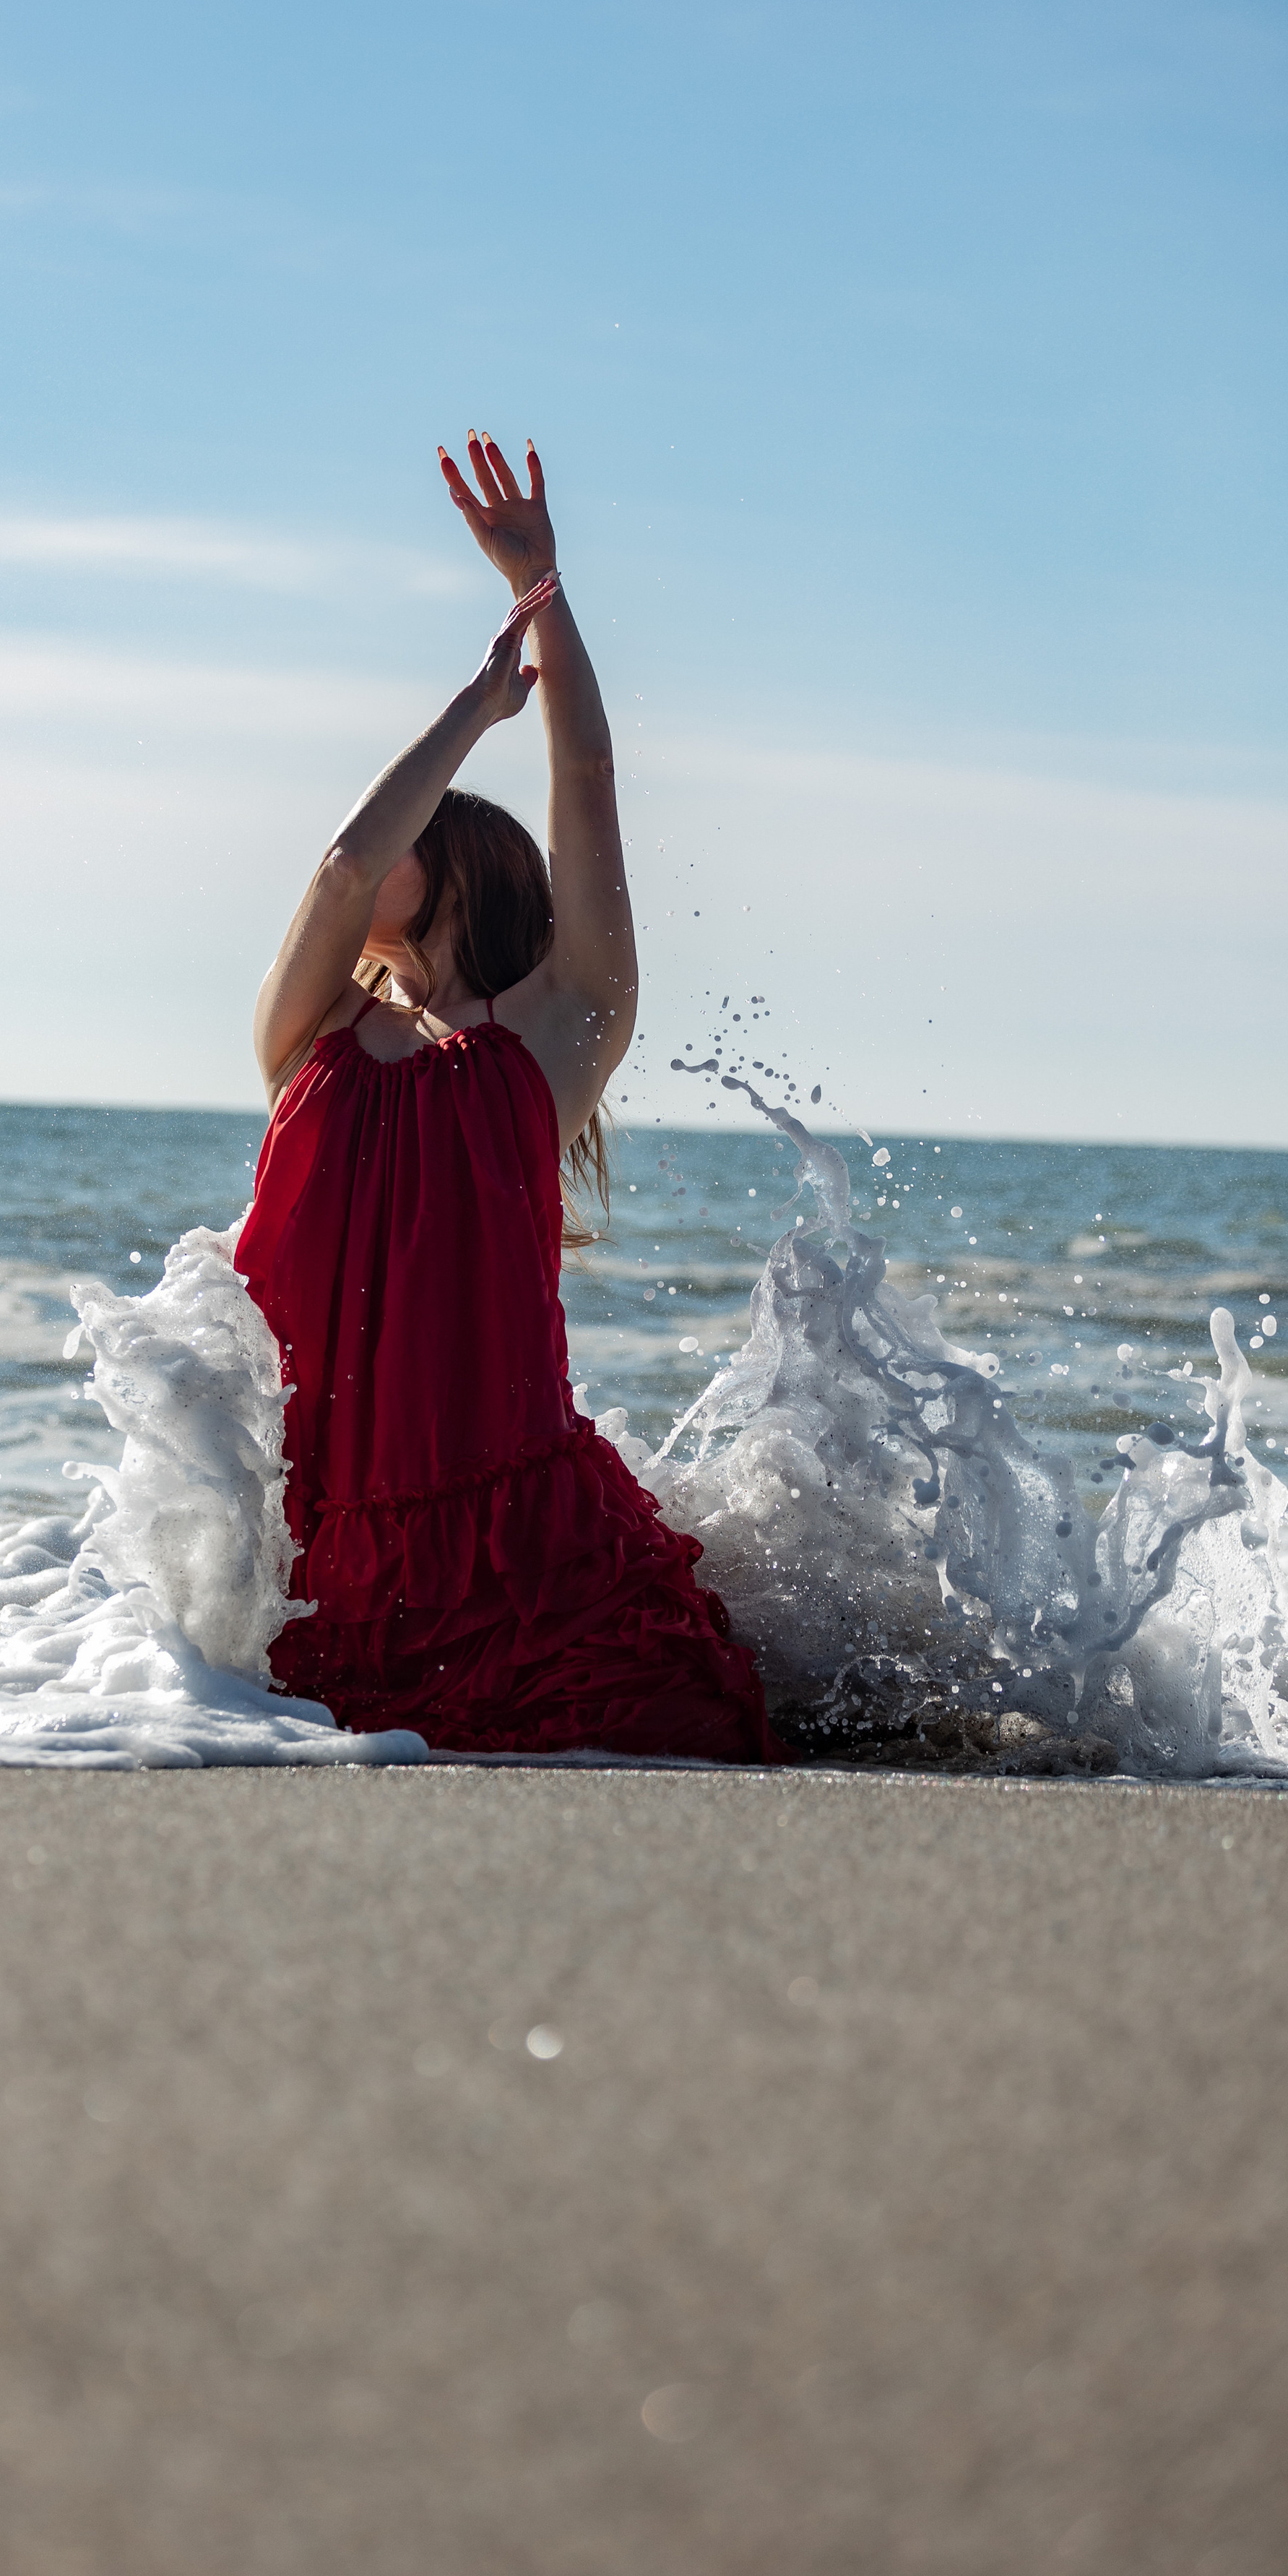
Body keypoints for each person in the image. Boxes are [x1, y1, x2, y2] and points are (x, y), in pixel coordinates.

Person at [234, 431, 785, 1762]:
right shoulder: (307, 1038)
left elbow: (587, 786)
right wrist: (469, 711)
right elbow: (338, 862)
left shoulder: (553, 1038)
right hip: (324, 1562)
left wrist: (546, 597)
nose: (387, 848)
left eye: (424, 829)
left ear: (468, 864)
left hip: (530, 1567)